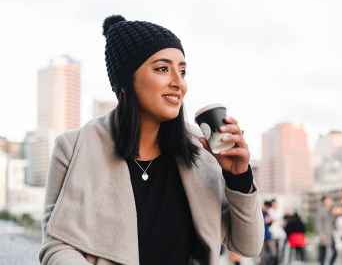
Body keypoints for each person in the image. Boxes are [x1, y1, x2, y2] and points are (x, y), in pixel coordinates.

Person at [38, 15, 264, 265]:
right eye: (162, 69)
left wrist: (239, 178)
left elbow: (248, 245)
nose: (179, 84)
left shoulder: (201, 150)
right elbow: (56, 245)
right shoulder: (73, 147)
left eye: (183, 71)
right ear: (127, 79)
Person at [315, 196, 335, 265]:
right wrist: (321, 234)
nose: (331, 201)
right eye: (329, 200)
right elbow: (318, 223)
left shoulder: (331, 210)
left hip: (330, 234)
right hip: (324, 235)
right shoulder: (321, 210)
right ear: (325, 201)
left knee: (333, 251)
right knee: (323, 252)